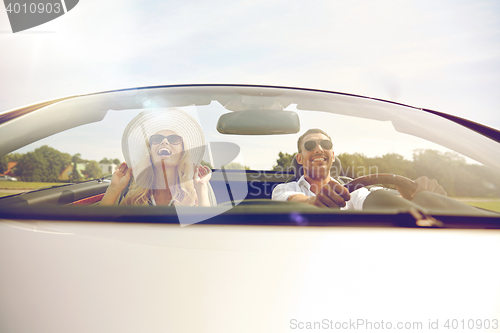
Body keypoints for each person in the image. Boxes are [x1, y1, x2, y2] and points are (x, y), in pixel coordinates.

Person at [272, 128, 447, 209]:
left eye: (325, 144)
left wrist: (414, 200)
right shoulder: (284, 189)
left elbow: (374, 202)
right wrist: (313, 202)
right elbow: (292, 201)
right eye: (310, 145)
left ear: (332, 154)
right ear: (300, 158)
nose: (319, 149)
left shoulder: (355, 191)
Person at [100, 108, 212, 207]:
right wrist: (114, 188)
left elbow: (207, 230)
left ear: (182, 153)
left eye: (173, 139)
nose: (164, 142)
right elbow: (100, 227)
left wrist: (202, 187)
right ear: (150, 153)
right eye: (157, 139)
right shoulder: (136, 197)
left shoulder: (192, 196)